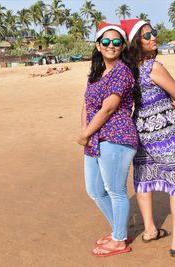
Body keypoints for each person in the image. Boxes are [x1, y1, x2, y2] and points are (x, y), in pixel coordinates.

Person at [120, 18, 175, 257]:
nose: (153, 36)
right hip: (164, 131)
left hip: (140, 129)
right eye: (147, 35)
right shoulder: (153, 67)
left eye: (153, 32)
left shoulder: (128, 70)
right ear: (136, 42)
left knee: (144, 177)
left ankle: (150, 230)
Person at [77, 22, 138, 257]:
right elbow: (86, 104)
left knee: (116, 190)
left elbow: (108, 108)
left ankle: (120, 240)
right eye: (106, 42)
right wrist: (85, 131)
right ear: (98, 46)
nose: (111, 46)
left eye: (116, 42)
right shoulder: (95, 73)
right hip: (95, 138)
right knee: (94, 190)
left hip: (117, 137)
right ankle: (118, 231)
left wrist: (85, 134)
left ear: (122, 46)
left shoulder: (122, 71)